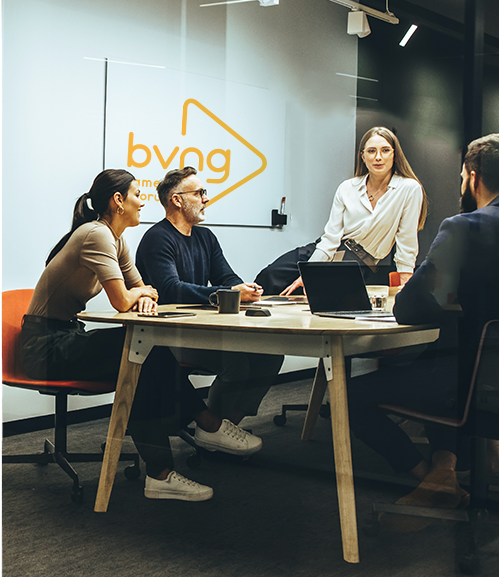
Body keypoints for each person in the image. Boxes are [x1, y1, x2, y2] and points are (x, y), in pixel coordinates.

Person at [346, 133, 499, 529]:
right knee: (445, 360)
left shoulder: (465, 227)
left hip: (471, 383)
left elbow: (410, 306)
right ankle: (444, 470)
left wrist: (448, 303)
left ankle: (430, 479)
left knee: (352, 397)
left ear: (472, 177)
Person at [20, 170, 261, 502]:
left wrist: (144, 294)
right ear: (118, 201)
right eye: (136, 194)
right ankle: (203, 426)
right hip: (43, 348)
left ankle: (164, 468)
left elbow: (146, 290)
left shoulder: (116, 240)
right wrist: (140, 293)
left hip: (67, 336)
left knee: (142, 355)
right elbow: (122, 300)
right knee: (140, 350)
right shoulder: (96, 235)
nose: (143, 200)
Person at [135, 167, 284, 432]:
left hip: (200, 330)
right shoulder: (157, 238)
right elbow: (170, 289)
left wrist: (242, 288)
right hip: (168, 336)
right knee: (235, 363)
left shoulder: (205, 236)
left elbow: (225, 276)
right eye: (200, 193)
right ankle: (214, 431)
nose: (206, 199)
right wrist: (225, 294)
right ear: (177, 200)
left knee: (270, 354)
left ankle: (227, 425)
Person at [280, 127, 427, 295]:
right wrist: (309, 273)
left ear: (395, 154)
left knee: (317, 301)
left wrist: (406, 282)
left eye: (385, 150)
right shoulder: (347, 187)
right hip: (325, 252)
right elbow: (330, 238)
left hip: (355, 264)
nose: (378, 157)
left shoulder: (409, 189)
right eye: (371, 151)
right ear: (363, 156)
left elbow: (406, 240)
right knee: (272, 277)